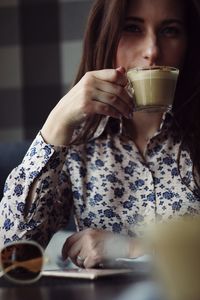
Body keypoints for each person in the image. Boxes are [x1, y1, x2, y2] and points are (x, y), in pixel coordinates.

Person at [1, 0, 200, 269]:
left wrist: (130, 248)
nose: (152, 51)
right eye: (132, 28)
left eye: (170, 31)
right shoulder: (76, 145)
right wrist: (56, 125)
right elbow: (12, 259)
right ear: (104, 37)